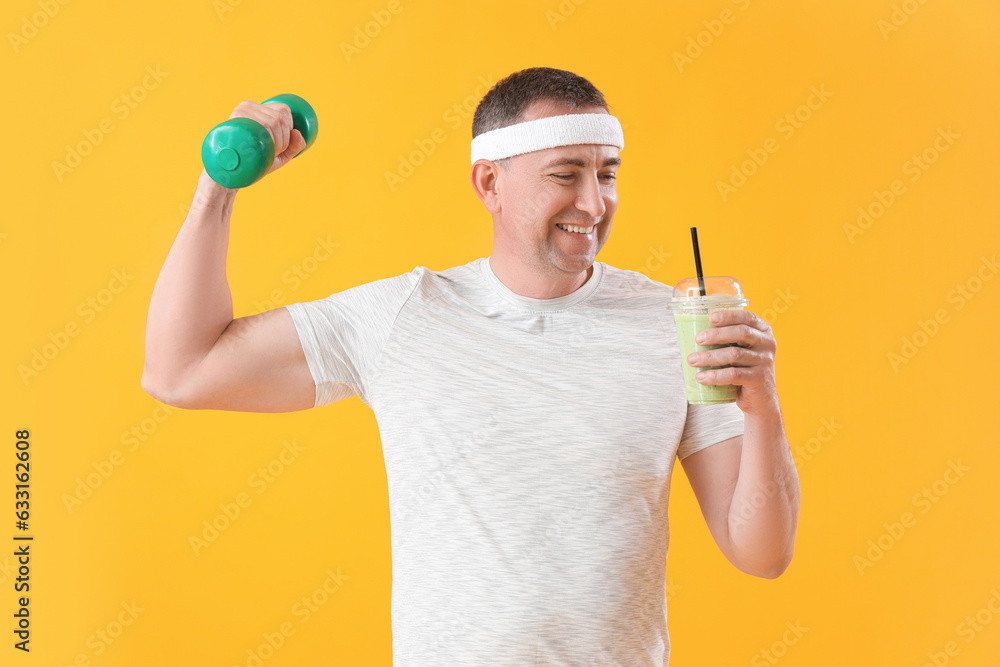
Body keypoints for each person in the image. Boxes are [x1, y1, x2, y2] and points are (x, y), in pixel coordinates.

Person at [141, 66, 800, 666]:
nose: (594, 205)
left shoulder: (671, 326)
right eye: (565, 175)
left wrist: (762, 405)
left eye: (607, 173)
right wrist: (216, 189)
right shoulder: (407, 315)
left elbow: (762, 550)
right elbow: (181, 369)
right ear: (490, 182)